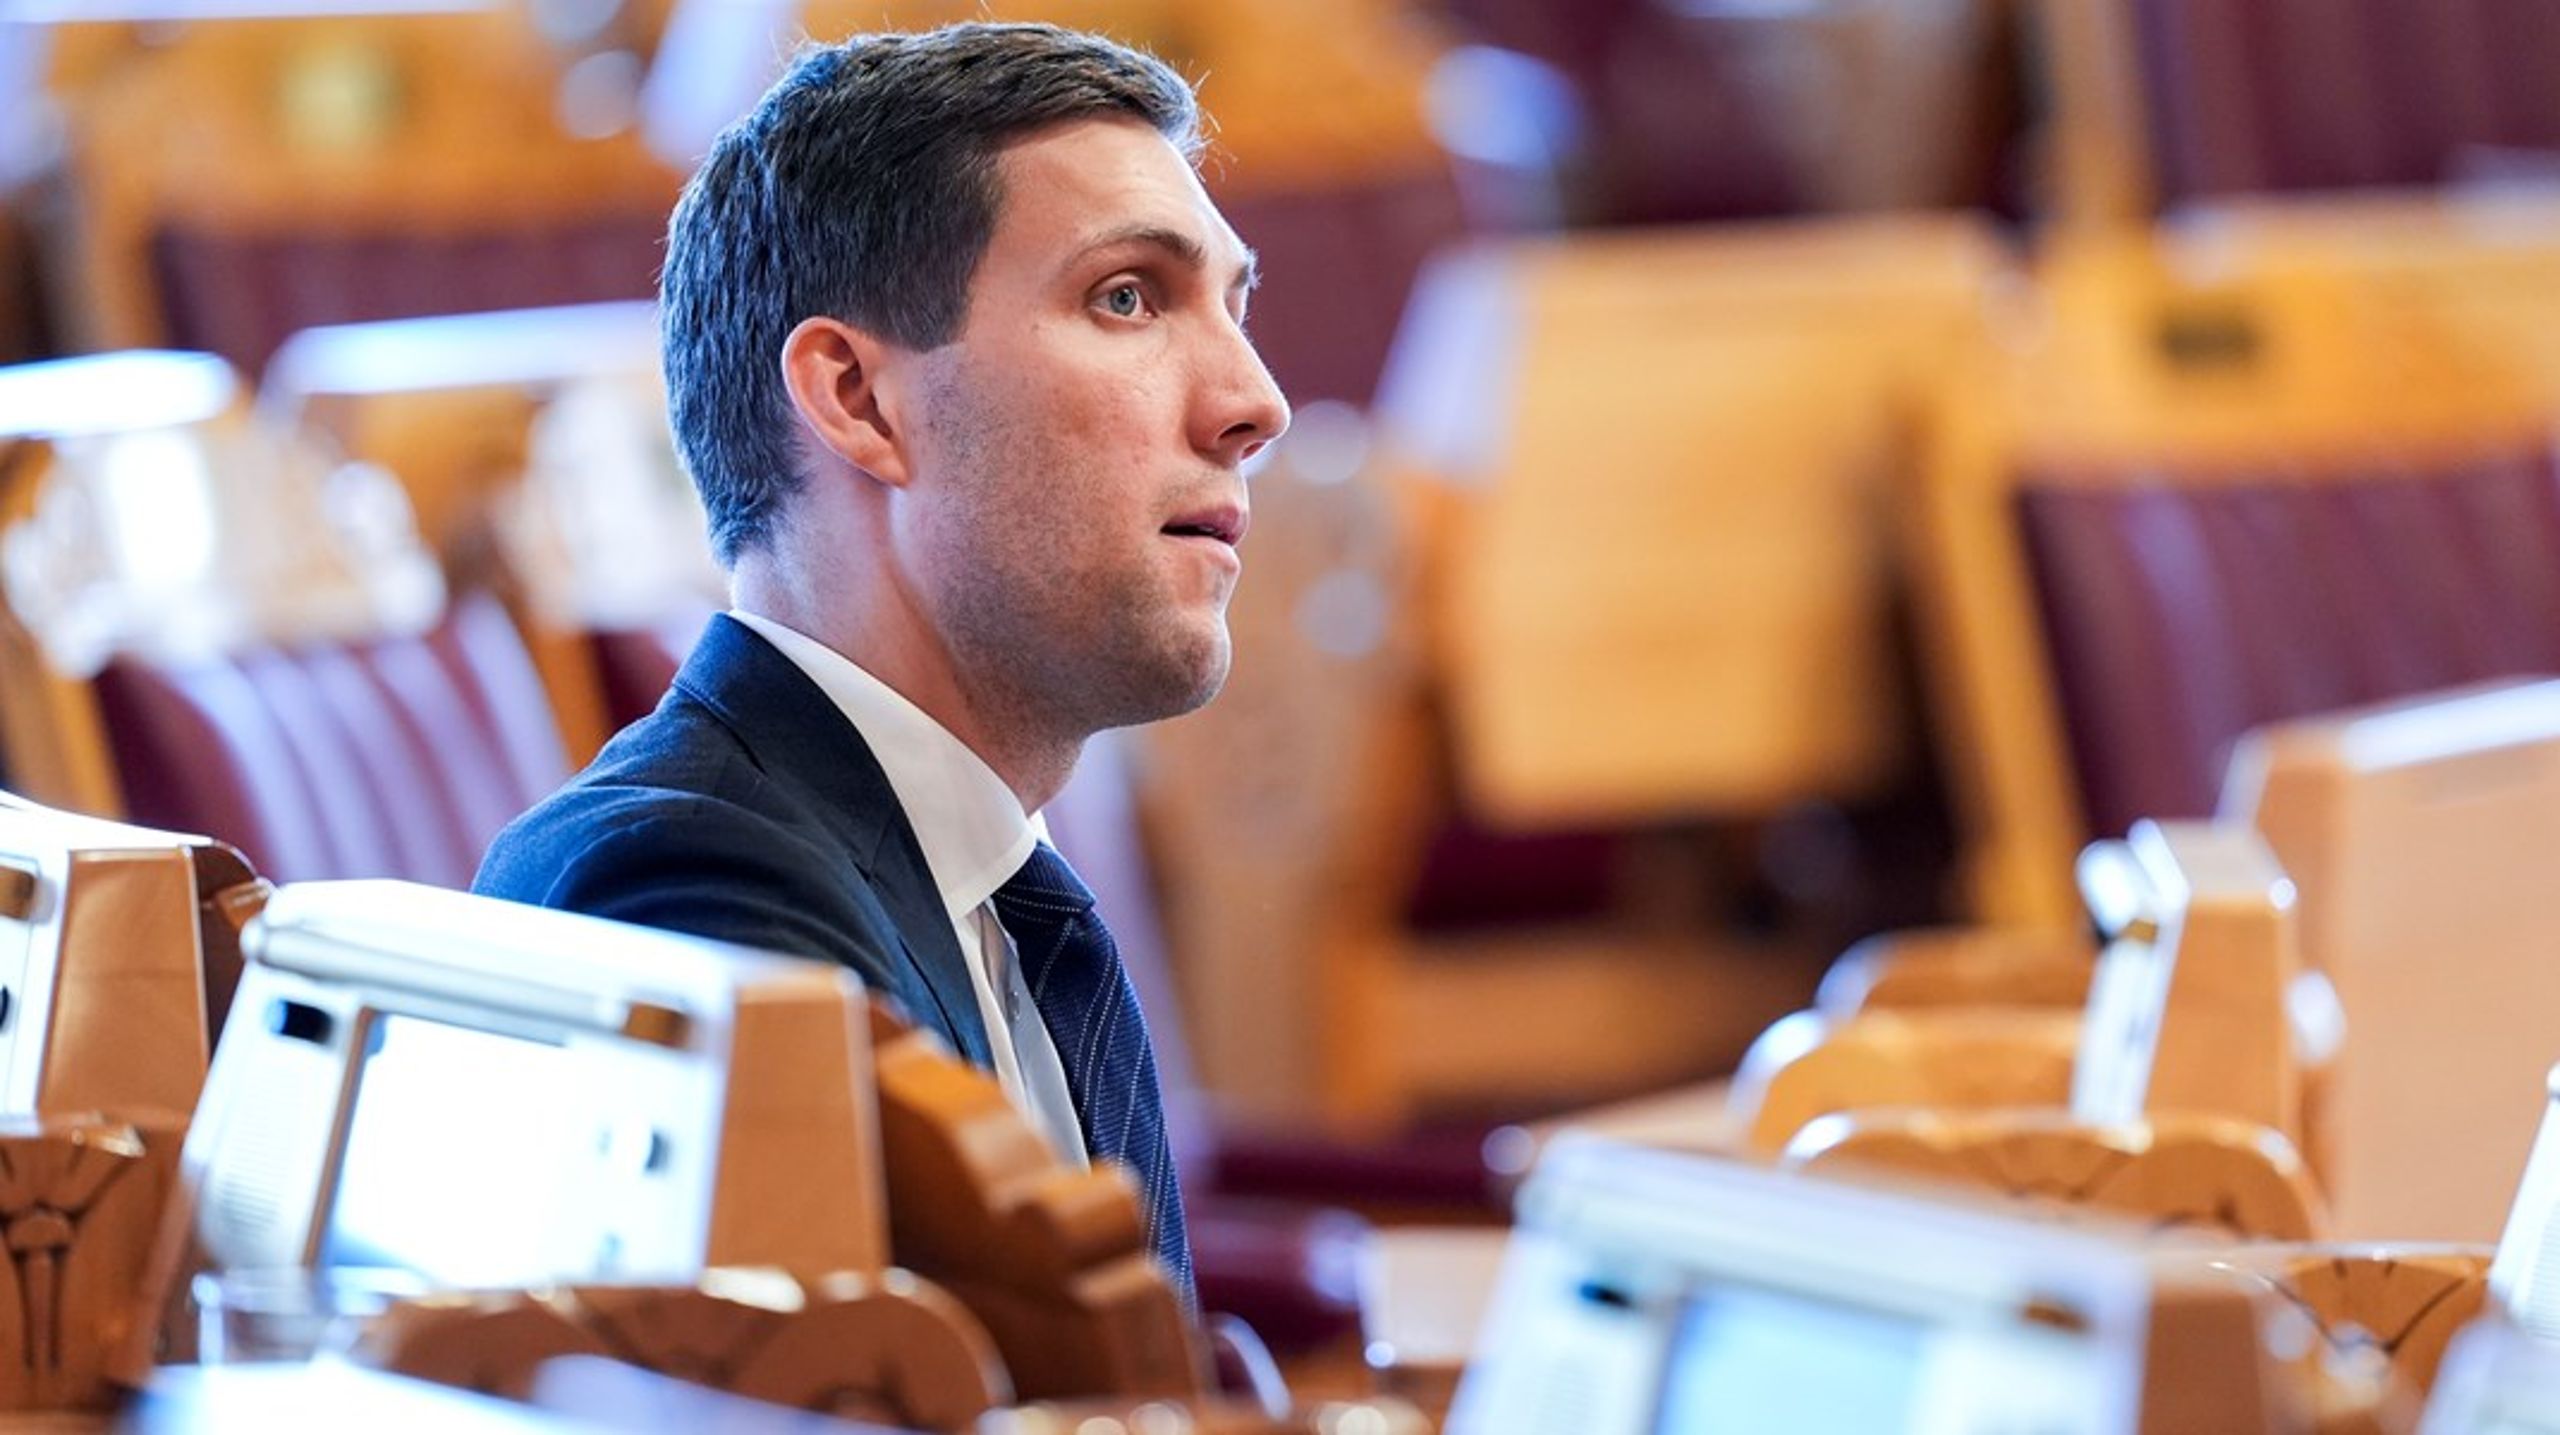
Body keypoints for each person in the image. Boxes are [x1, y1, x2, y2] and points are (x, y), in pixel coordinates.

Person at [473, 21, 1290, 1311]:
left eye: (1235, 310)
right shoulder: (693, 899)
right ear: (856, 400)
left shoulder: (978, 884)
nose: (1255, 402)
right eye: (1127, 297)